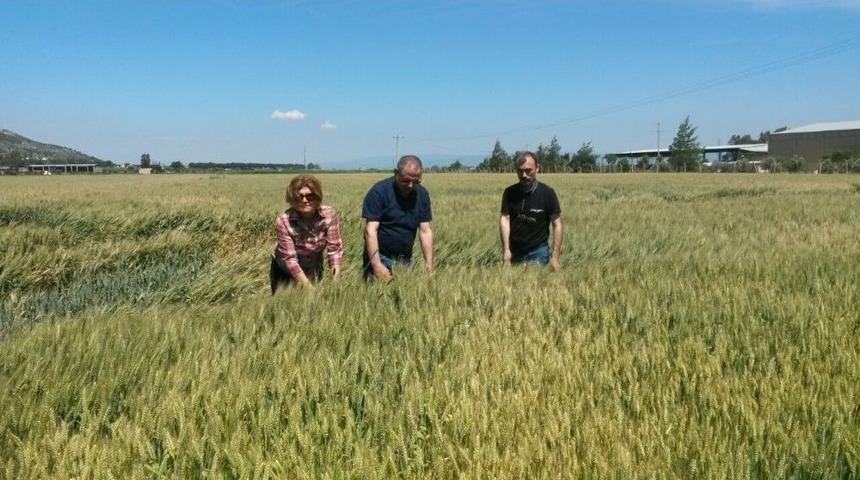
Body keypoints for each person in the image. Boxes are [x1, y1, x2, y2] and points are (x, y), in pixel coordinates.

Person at [362, 155, 433, 279]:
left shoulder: (422, 195)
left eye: (416, 181)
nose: (411, 185)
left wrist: (429, 267)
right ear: (396, 173)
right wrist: (377, 265)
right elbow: (370, 230)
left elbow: (425, 231)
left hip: (406, 259)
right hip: (380, 256)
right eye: (406, 180)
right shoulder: (379, 192)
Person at [270, 174, 343, 293]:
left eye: (310, 196)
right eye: (299, 196)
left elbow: (334, 249)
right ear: (292, 199)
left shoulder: (329, 215)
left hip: (314, 267)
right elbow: (290, 260)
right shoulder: (284, 221)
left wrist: (336, 283)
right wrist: (310, 290)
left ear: (318, 196)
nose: (305, 200)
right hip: (285, 271)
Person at [499, 151, 563, 268]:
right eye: (520, 171)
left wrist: (555, 256)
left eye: (528, 170)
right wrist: (506, 251)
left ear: (537, 168)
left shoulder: (547, 193)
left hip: (538, 251)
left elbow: (557, 223)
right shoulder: (509, 193)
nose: (524, 175)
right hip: (515, 251)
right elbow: (505, 219)